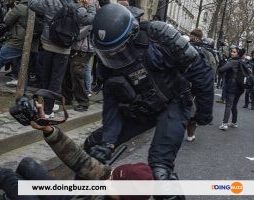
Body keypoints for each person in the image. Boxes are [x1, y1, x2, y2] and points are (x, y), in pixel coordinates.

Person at [83, 4, 214, 198]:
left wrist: (203, 113)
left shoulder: (160, 36)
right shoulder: (106, 63)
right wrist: (108, 143)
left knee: (161, 174)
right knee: (93, 148)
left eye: (116, 50)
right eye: (107, 52)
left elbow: (202, 72)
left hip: (173, 102)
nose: (112, 56)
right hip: (141, 108)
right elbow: (112, 102)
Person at [0, 102, 154, 200]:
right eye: (111, 177)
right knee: (28, 165)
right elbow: (79, 158)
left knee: (9, 179)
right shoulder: (107, 179)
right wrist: (48, 129)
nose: (106, 182)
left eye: (112, 185)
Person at [28, 0, 97, 118]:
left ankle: (48, 105)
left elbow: (31, 4)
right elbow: (90, 19)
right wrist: (91, 5)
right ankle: (48, 110)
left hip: (47, 45)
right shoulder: (77, 8)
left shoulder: (49, 3)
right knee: (56, 80)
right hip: (63, 49)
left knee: (45, 77)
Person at [0, 0, 39, 92]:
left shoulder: (19, 7)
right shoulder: (38, 7)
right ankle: (24, 88)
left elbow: (7, 21)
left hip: (17, 41)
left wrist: (12, 9)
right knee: (23, 65)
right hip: (32, 42)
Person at [218, 46, 245, 130]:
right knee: (234, 105)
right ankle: (234, 122)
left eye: (234, 52)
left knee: (228, 105)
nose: (231, 53)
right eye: (231, 51)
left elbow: (221, 69)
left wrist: (224, 65)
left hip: (232, 86)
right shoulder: (242, 61)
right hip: (240, 86)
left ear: (238, 53)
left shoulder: (233, 62)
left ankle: (224, 124)